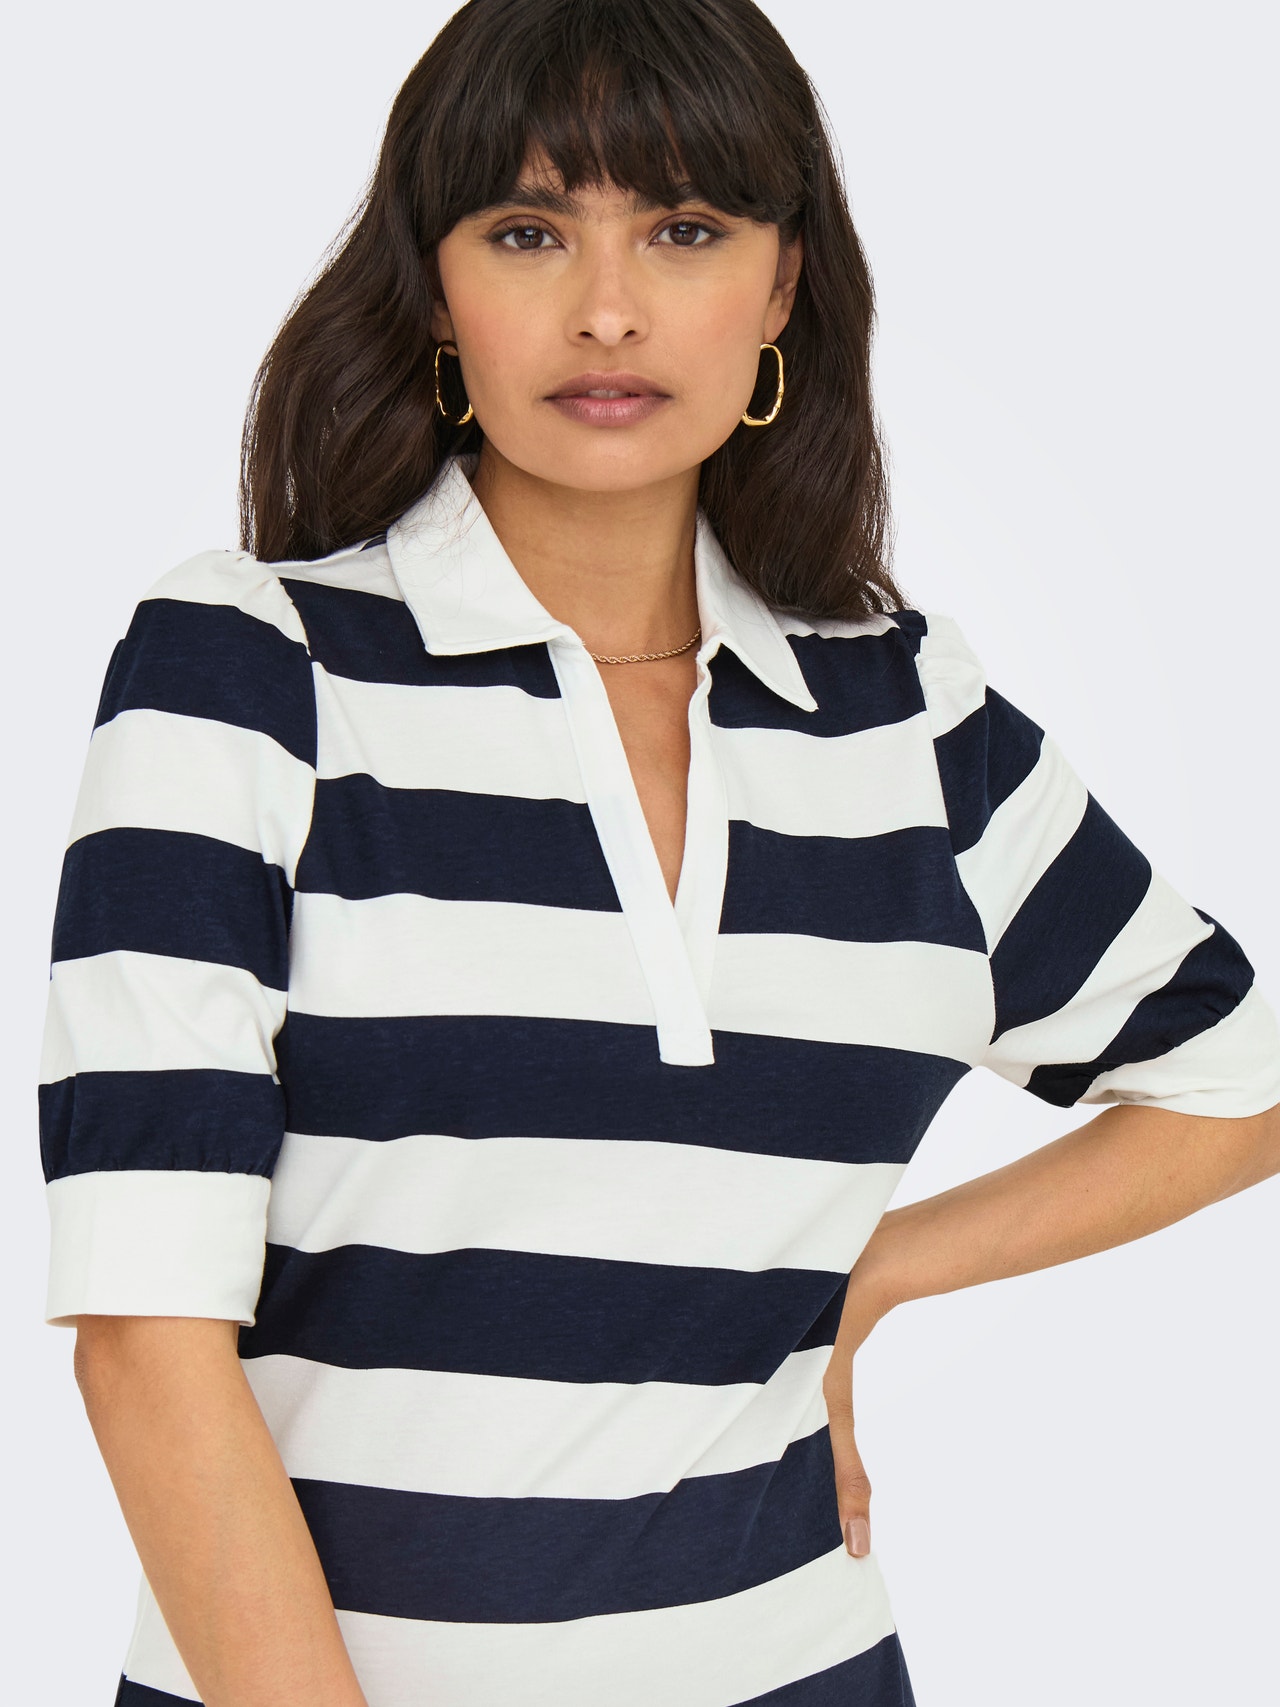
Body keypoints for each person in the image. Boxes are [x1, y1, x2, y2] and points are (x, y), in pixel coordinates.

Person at [37, 1, 1280, 1703]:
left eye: (686, 230)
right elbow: (142, 1334)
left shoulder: (901, 711)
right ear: (436, 291)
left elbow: (1237, 1079)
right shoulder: (249, 669)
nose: (608, 309)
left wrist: (868, 1279)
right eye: (528, 231)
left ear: (781, 289)